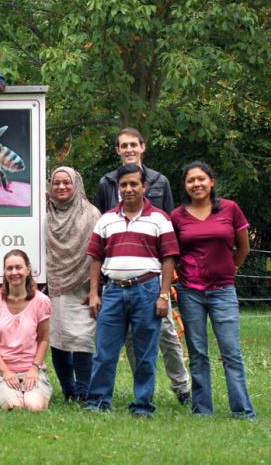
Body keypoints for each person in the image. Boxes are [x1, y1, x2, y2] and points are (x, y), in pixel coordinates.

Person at [93, 127, 190, 405]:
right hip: (118, 275)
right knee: (132, 342)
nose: (129, 149)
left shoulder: (159, 181)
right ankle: (141, 392)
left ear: (143, 146)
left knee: (168, 333)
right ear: (117, 150)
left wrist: (166, 285)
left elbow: (170, 228)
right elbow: (102, 227)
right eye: (123, 146)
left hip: (153, 277)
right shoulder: (106, 183)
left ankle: (182, 388)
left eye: (133, 144)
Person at [84, 164, 178, 417]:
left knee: (146, 354)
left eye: (134, 184)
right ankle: (98, 402)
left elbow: (169, 258)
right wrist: (94, 293)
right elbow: (95, 258)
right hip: (113, 291)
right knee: (104, 352)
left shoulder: (160, 218)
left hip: (147, 290)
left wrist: (163, 294)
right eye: (123, 185)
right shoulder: (106, 220)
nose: (128, 189)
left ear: (144, 186)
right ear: (118, 188)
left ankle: (143, 405)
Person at [171, 162, 256, 419]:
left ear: (212, 181)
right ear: (185, 186)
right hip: (189, 291)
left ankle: (242, 411)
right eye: (191, 181)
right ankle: (202, 410)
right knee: (197, 353)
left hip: (223, 291)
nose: (196, 184)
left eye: (201, 179)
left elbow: (244, 248)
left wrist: (231, 269)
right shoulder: (177, 216)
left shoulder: (231, 209)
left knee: (231, 352)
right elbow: (173, 254)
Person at [46, 167, 101, 403]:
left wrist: (96, 289)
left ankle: (83, 390)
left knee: (82, 339)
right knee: (57, 338)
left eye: (66, 182)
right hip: (52, 285)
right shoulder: (42, 213)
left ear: (76, 184)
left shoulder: (91, 214)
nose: (61, 187)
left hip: (83, 286)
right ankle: (68, 390)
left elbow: (99, 254)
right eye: (56, 183)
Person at [0, 249, 53, 411]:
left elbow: (43, 339)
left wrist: (34, 369)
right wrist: (6, 371)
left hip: (31, 369)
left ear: (28, 270)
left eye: (18, 267)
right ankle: (6, 393)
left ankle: (34, 391)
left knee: (34, 407)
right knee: (15, 407)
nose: (14, 272)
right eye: (9, 268)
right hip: (1, 370)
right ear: (4, 272)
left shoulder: (41, 301)